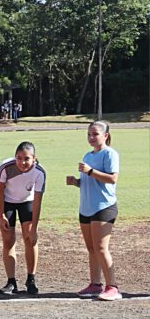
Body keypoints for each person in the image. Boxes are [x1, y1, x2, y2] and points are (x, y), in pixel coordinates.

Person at [67, 121, 122, 301]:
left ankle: (112, 287)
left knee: (101, 248)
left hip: (103, 207)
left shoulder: (110, 154)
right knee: (91, 249)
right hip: (86, 208)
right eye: (89, 134)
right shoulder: (88, 155)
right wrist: (76, 182)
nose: (91, 137)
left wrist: (90, 171)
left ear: (105, 135)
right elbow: (89, 183)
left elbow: (112, 179)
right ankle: (95, 285)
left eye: (95, 134)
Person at [0, 142, 46, 296]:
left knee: (30, 239)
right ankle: (11, 282)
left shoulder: (39, 172)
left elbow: (37, 201)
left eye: (27, 159)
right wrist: (2, 215)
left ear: (34, 158)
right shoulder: (5, 167)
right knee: (8, 240)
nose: (22, 162)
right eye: (19, 158)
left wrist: (34, 228)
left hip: (27, 202)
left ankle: (31, 279)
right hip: (7, 202)